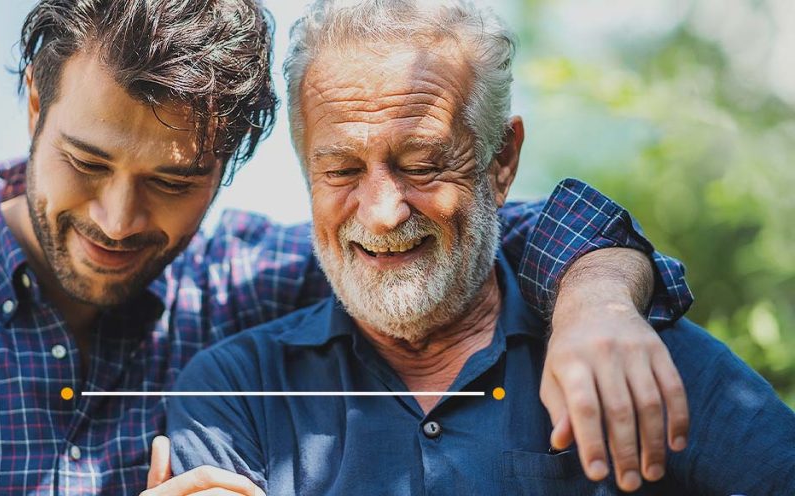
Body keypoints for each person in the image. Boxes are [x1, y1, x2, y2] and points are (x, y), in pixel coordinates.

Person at [0, 1, 692, 494]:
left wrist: (598, 298)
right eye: (87, 163)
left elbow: (468, 228)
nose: (119, 220)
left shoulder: (257, 284)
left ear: (231, 165)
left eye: (173, 182)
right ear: (34, 110)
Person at [165, 1, 795, 494]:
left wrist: (600, 298)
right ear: (305, 172)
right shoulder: (236, 394)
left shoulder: (615, 342)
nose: (382, 215)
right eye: (342, 171)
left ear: (501, 160)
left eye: (422, 164)